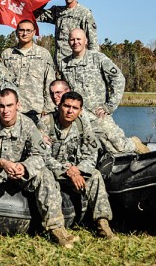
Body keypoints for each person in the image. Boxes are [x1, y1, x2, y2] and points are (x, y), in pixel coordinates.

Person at [0, 88, 76, 248]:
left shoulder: (28, 124)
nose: (5, 110)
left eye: (9, 105)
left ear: (17, 105)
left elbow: (40, 154)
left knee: (45, 174)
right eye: (1, 106)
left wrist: (25, 166)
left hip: (20, 172)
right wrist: (0, 163)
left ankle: (57, 229)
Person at [60, 28, 150, 154]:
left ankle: (134, 144)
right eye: (72, 39)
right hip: (78, 116)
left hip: (97, 114)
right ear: (68, 42)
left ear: (85, 41)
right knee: (85, 149)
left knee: (118, 146)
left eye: (78, 39)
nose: (75, 42)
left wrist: (110, 106)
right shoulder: (64, 64)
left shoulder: (98, 58)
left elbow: (118, 79)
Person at [41, 92, 116, 239]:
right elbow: (41, 156)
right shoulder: (45, 123)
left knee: (95, 175)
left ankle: (103, 224)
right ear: (59, 106)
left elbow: (91, 153)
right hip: (55, 172)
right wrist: (67, 170)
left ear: (80, 110)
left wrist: (79, 169)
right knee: (45, 175)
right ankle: (57, 227)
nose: (70, 111)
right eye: (66, 106)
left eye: (75, 108)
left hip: (75, 171)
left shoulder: (82, 124)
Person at [0, 20, 56, 123]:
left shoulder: (43, 54)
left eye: (28, 31)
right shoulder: (7, 54)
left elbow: (50, 82)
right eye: (21, 30)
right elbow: (1, 81)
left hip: (36, 110)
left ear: (34, 32)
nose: (25, 33)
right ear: (16, 32)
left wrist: (48, 108)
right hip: (12, 110)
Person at [35, 0, 99, 70]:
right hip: (58, 65)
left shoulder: (84, 13)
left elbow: (93, 42)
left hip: (76, 65)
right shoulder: (57, 11)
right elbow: (35, 15)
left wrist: (92, 66)